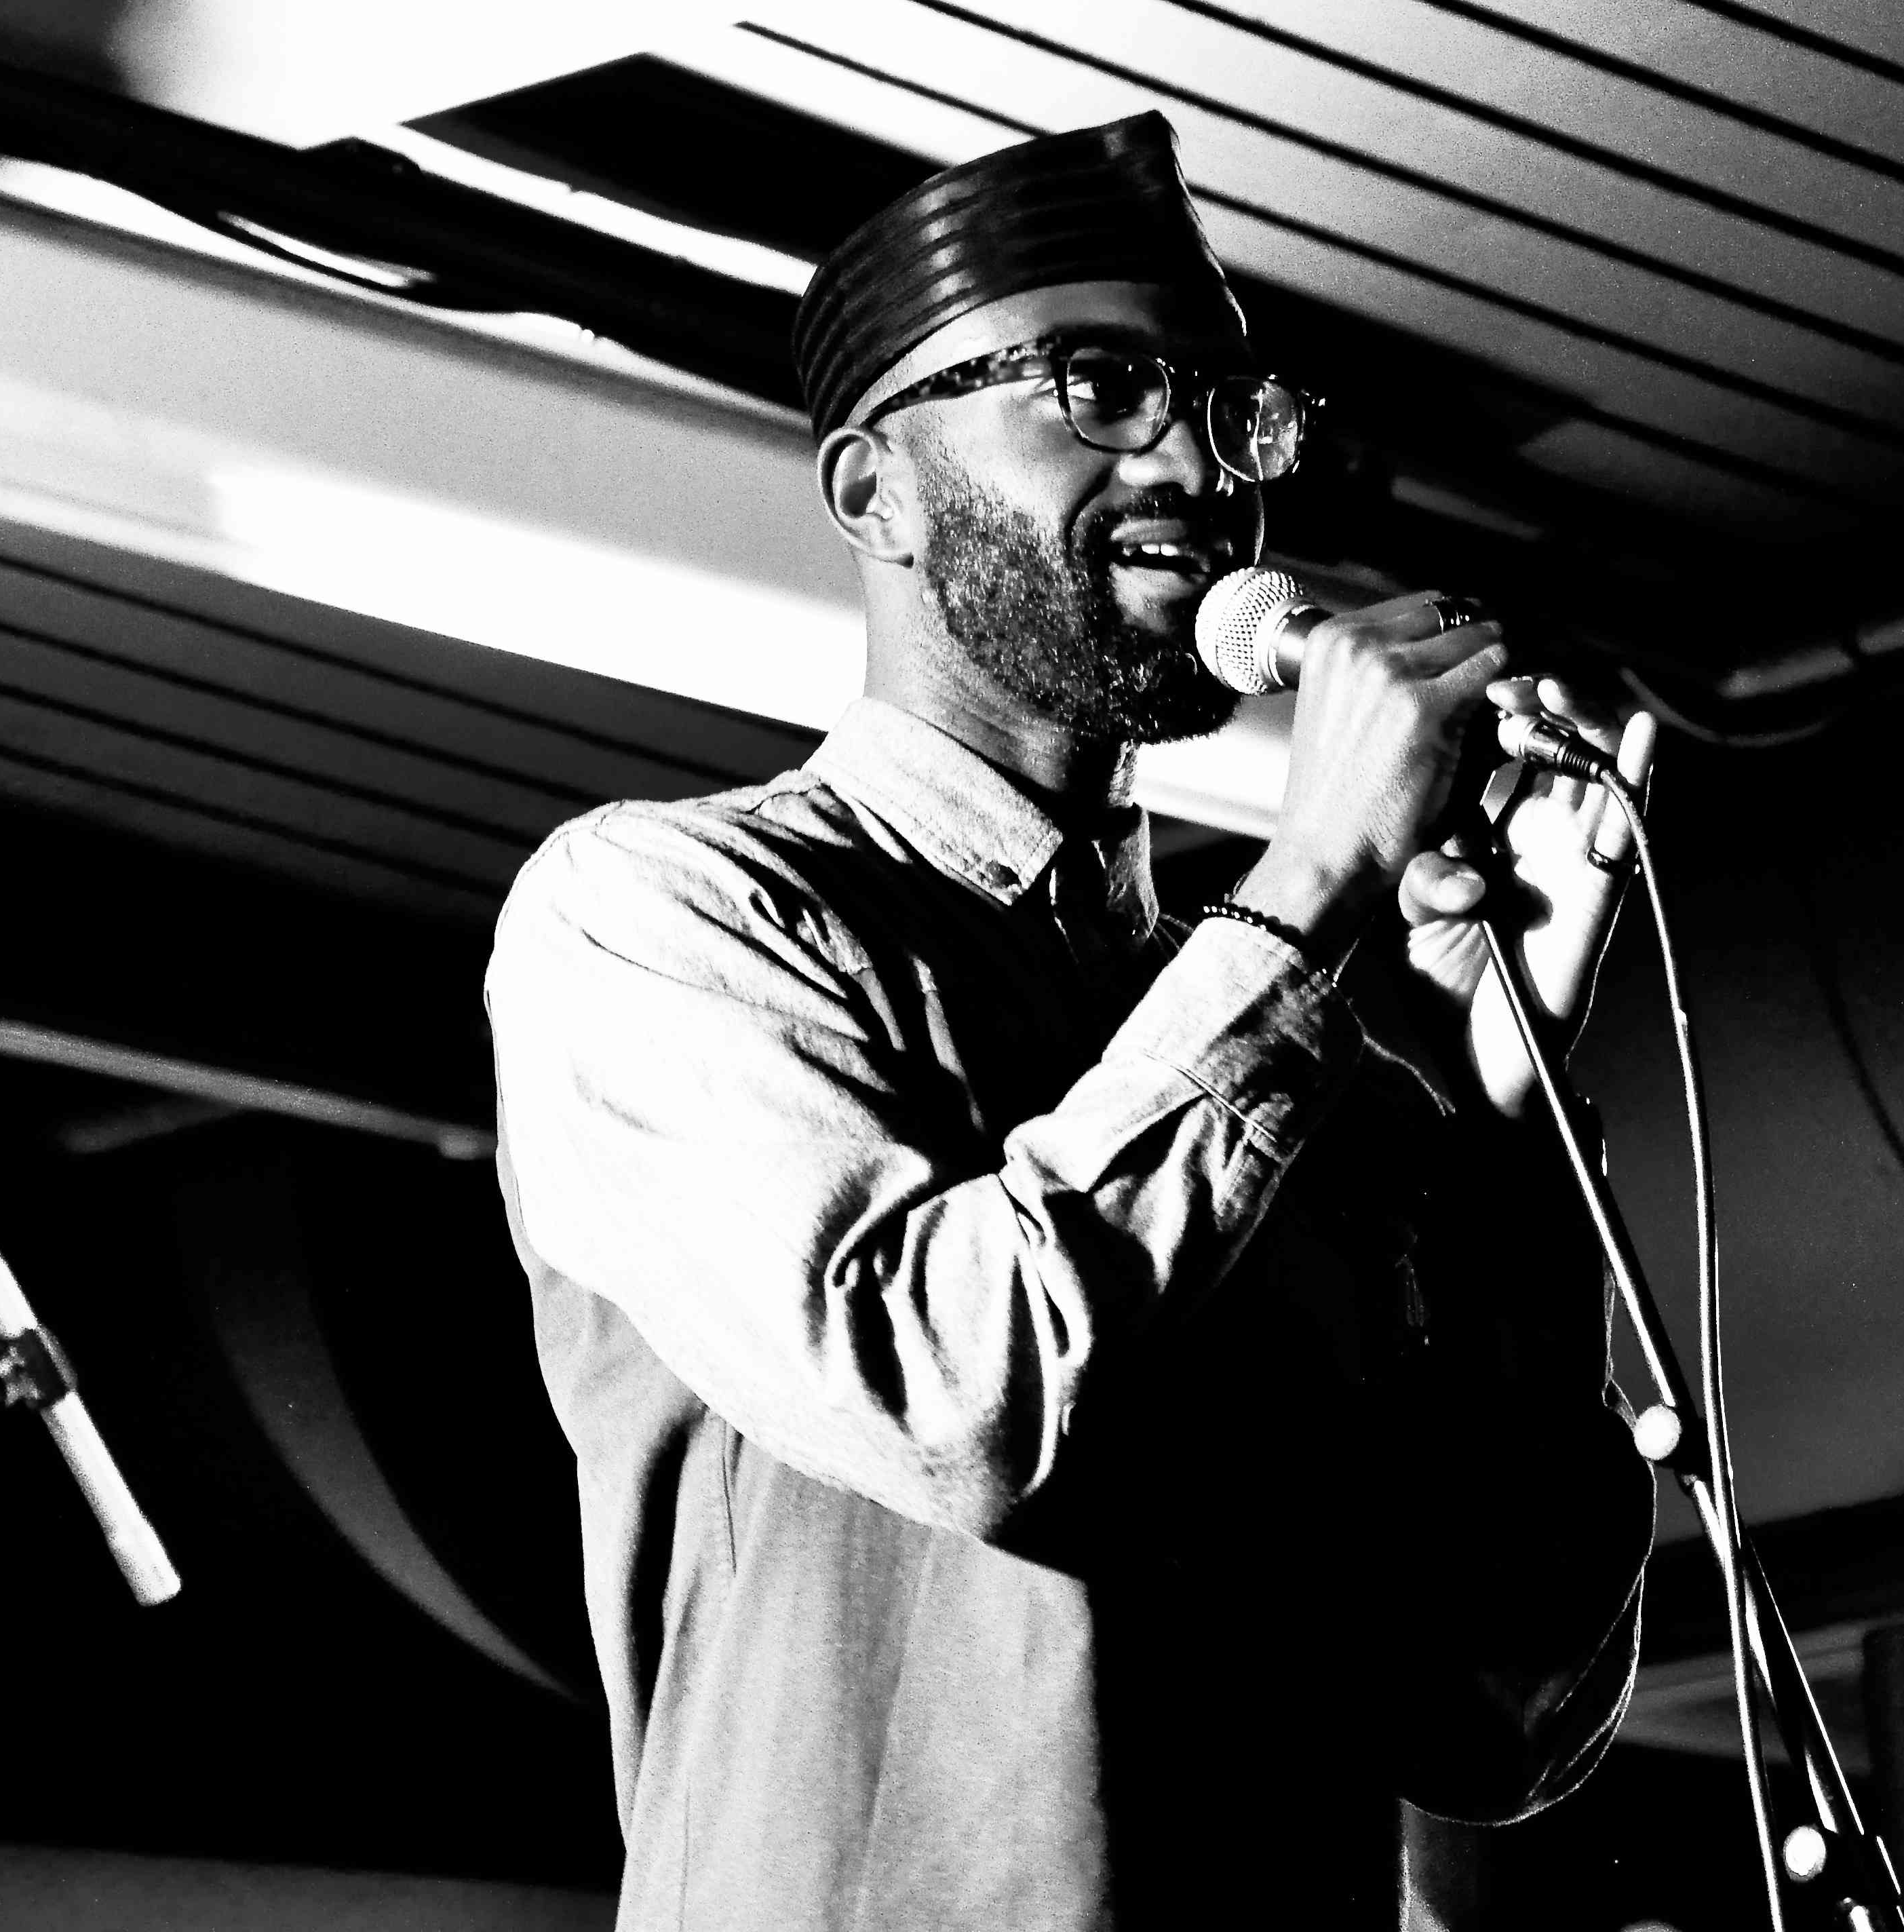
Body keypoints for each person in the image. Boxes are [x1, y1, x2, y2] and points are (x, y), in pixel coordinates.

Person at [487, 113, 1655, 1931]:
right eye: (1099, 388)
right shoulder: (671, 909)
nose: (1194, 463)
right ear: (874, 490)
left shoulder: (1300, 1043)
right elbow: (955, 1391)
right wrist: (1310, 886)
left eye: (1232, 411)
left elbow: (1491, 1707)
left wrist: (1501, 1122)